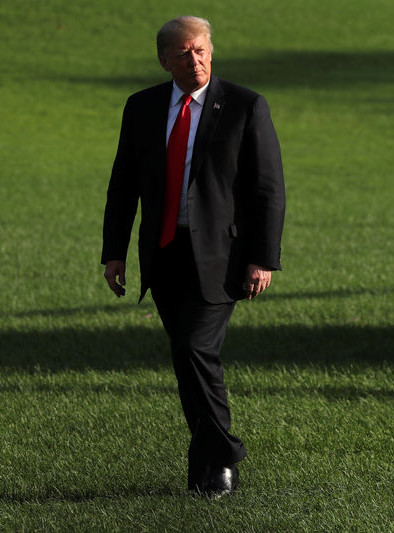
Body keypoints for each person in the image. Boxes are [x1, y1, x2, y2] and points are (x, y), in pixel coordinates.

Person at [101, 16, 285, 498]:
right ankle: (205, 466)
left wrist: (262, 258)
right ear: (165, 60)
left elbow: (267, 190)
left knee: (194, 350)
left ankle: (223, 458)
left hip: (223, 257)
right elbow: (123, 184)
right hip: (164, 253)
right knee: (187, 361)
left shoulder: (245, 106)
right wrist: (114, 253)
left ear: (211, 51)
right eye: (184, 53)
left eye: (201, 49)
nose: (195, 59)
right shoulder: (141, 107)